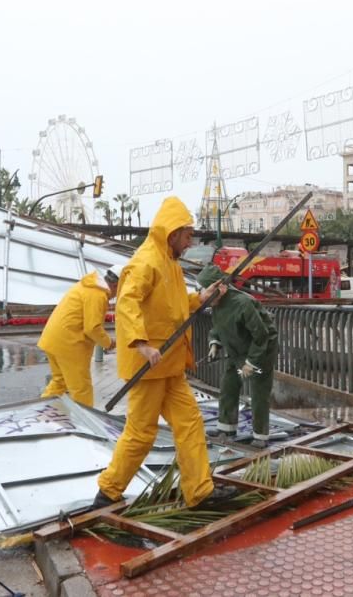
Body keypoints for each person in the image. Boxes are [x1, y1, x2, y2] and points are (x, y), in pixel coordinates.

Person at [93, 197, 230, 510]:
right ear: (172, 233)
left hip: (169, 365)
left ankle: (199, 491)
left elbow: (177, 307)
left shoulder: (170, 262)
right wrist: (141, 344)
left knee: (190, 422)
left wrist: (203, 297)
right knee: (141, 433)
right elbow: (127, 303)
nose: (190, 240)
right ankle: (108, 492)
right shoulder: (146, 262)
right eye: (187, 234)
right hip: (149, 366)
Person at [196, 263, 278, 449]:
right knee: (228, 386)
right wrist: (214, 343)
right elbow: (219, 326)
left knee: (258, 393)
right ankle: (226, 427)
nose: (203, 296)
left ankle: (260, 435)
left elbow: (262, 335)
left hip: (260, 350)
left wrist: (252, 362)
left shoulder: (243, 303)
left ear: (220, 288)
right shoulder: (217, 302)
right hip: (236, 349)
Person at [37, 264, 123, 406]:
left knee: (60, 382)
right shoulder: (98, 294)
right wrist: (109, 343)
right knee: (81, 389)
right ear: (116, 285)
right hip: (69, 344)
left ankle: (41, 414)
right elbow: (92, 328)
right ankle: (85, 424)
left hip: (53, 339)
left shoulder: (87, 286)